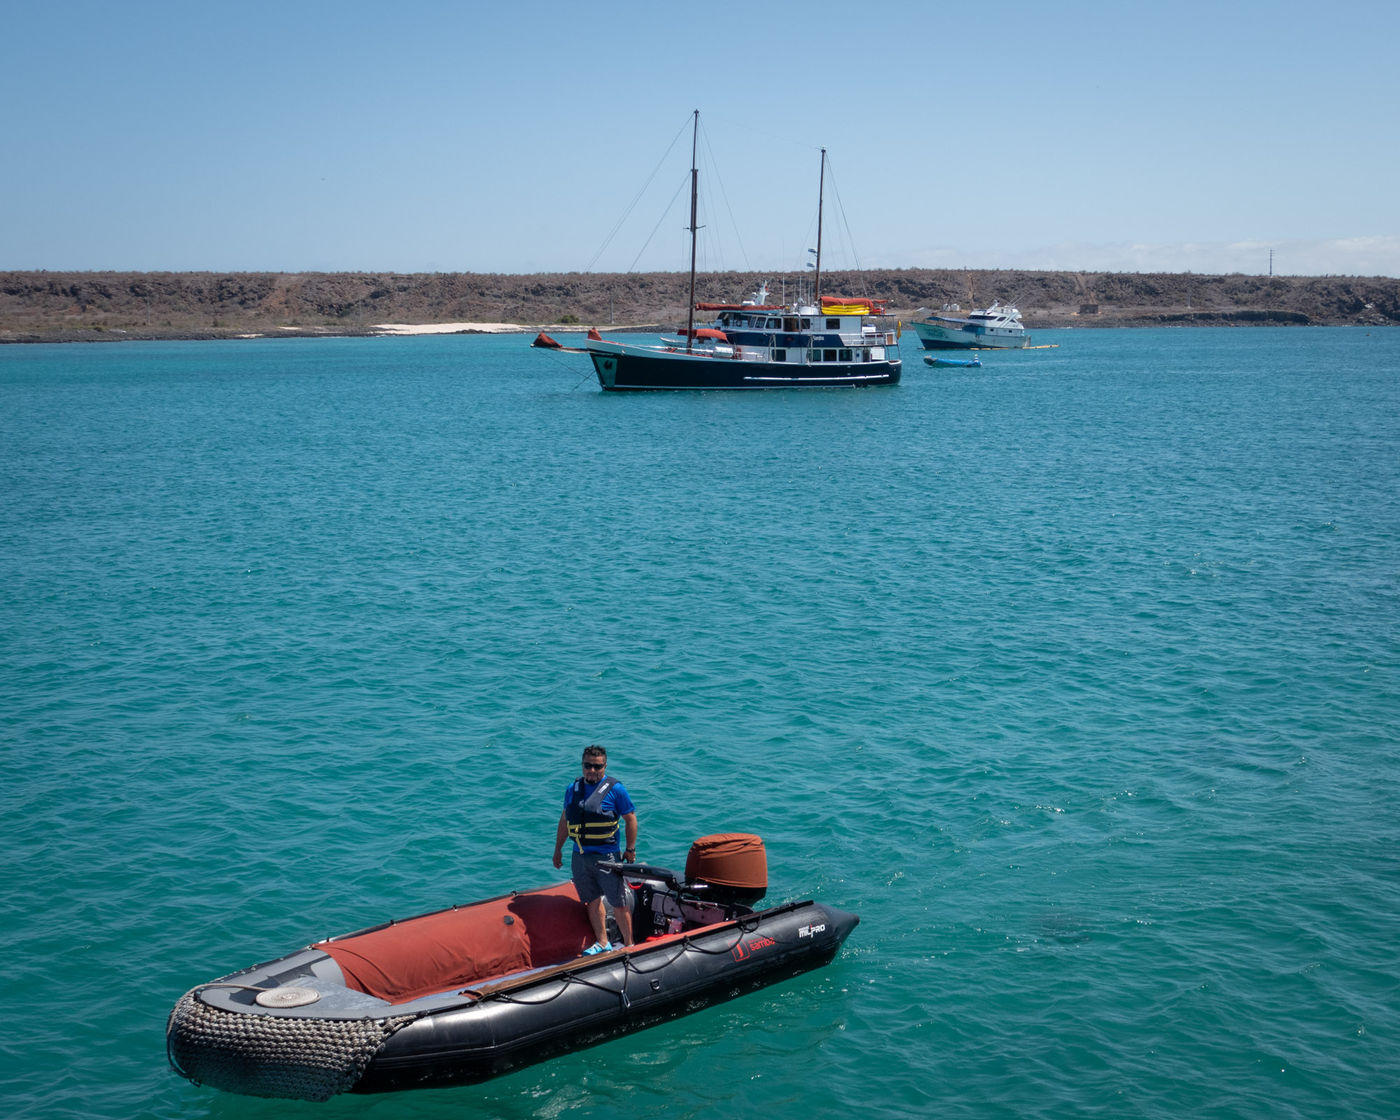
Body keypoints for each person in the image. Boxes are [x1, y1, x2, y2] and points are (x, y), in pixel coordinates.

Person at [553, 744, 637, 953]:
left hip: (606, 854)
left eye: (597, 767)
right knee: (590, 899)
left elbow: (630, 819)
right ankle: (602, 942)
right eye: (588, 766)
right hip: (580, 854)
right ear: (582, 766)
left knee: (618, 901)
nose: (592, 770)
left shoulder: (616, 790)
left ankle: (629, 945)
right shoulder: (572, 790)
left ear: (604, 766)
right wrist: (558, 849)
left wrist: (630, 849)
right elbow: (565, 820)